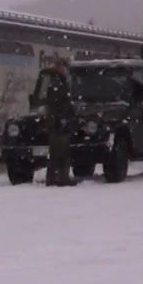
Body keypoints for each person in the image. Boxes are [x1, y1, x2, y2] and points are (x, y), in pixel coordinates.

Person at [44, 56, 79, 187]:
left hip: (56, 121)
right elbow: (60, 104)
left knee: (56, 151)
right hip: (58, 122)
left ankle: (54, 177)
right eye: (65, 67)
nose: (66, 70)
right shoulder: (57, 83)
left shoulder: (57, 82)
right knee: (61, 151)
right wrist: (66, 116)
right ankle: (60, 177)